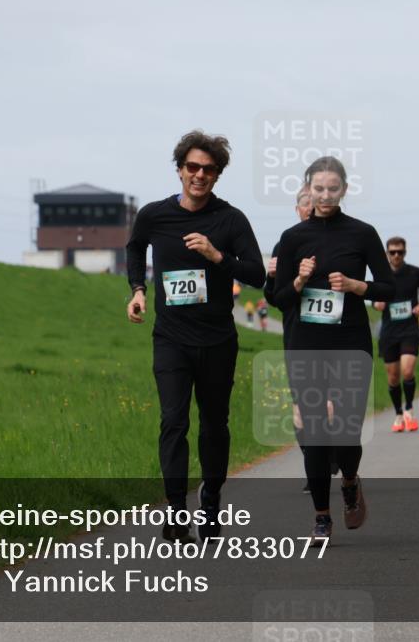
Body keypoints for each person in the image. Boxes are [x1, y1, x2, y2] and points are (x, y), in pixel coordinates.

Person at [126, 130, 265, 543]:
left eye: (208, 169)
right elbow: (135, 248)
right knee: (173, 421)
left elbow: (256, 274)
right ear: (180, 169)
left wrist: (216, 255)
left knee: (214, 426)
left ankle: (211, 499)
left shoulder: (231, 220)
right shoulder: (154, 215)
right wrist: (138, 290)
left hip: (217, 339)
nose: (199, 175)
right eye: (193, 167)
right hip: (171, 339)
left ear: (217, 174)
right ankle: (175, 510)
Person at [273, 156, 394, 544]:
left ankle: (351, 480)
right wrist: (298, 280)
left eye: (333, 188)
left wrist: (358, 287)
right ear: (308, 189)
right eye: (318, 188)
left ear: (344, 189)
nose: (325, 195)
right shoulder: (292, 238)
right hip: (306, 345)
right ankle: (322, 517)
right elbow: (276, 298)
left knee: (345, 433)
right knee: (314, 430)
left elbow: (391, 288)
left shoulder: (362, 233)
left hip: (350, 343)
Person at [264, 186, 337, 495]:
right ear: (297, 210)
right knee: (302, 409)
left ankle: (329, 454)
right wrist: (271, 276)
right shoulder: (286, 243)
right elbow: (273, 297)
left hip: (332, 333)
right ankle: (314, 465)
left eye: (314, 203)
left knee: (329, 407)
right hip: (297, 333)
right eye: (305, 204)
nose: (310, 208)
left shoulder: (337, 239)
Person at [372, 237, 419, 433]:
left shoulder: (415, 272)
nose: (396, 255)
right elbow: (373, 296)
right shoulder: (381, 274)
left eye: (400, 252)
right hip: (389, 331)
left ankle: (409, 410)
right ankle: (398, 413)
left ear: (405, 252)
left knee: (407, 370)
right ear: (387, 254)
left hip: (410, 329)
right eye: (393, 252)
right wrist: (376, 304)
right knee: (393, 377)